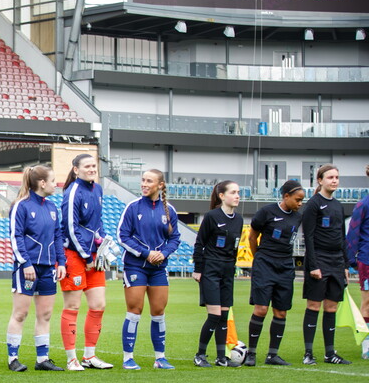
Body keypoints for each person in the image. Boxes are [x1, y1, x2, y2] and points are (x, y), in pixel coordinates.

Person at [117, 169, 180, 370]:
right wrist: (146, 253)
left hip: (159, 268)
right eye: (143, 180)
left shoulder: (170, 210)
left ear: (160, 185)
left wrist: (163, 254)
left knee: (159, 311)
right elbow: (122, 236)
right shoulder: (132, 207)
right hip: (136, 266)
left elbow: (175, 238)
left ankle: (160, 358)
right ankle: (128, 357)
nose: (144, 184)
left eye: (149, 181)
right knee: (135, 310)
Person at [5, 165, 66, 372]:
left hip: (48, 268)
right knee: (20, 313)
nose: (56, 184)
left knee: (46, 314)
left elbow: (58, 236)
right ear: (42, 183)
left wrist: (61, 263)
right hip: (27, 268)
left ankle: (42, 359)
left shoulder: (51, 207)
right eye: (53, 180)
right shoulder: (21, 206)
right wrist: (25, 263)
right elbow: (16, 236)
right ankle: (12, 358)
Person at [59, 153, 113, 371]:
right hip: (74, 256)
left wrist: (103, 245)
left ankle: (89, 356)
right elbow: (71, 228)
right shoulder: (72, 192)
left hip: (93, 256)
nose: (92, 169)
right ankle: (71, 359)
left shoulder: (97, 189)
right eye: (87, 166)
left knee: (98, 305)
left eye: (94, 166)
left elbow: (97, 222)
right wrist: (86, 256)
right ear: (76, 169)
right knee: (72, 305)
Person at [244, 179, 306, 367]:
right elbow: (252, 236)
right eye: (297, 199)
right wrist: (259, 257)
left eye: (302, 200)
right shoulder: (267, 212)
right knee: (261, 309)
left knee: (281, 312)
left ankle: (273, 355)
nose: (300, 203)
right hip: (265, 264)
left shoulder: (297, 216)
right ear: (286, 196)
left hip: (286, 266)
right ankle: (251, 354)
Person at [301, 164, 351, 365]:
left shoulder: (339, 205)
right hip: (319, 259)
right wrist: (313, 265)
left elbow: (342, 237)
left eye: (337, 177)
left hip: (336, 261)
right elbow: (309, 237)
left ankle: (330, 353)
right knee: (314, 305)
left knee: (331, 307)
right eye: (330, 177)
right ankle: (308, 353)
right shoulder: (313, 204)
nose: (334, 180)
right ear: (320, 180)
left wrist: (346, 265)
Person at [192, 180, 243, 367]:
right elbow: (200, 243)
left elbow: (235, 247)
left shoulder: (239, 219)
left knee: (224, 315)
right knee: (214, 315)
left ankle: (222, 358)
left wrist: (233, 267)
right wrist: (198, 269)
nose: (237, 196)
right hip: (211, 269)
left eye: (238, 192)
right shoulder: (212, 216)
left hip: (228, 270)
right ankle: (200, 355)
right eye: (233, 192)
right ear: (222, 196)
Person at [346, 165, 369, 325]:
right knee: (367, 304)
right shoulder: (363, 205)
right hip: (367, 261)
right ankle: (367, 347)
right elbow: (352, 235)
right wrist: (350, 261)